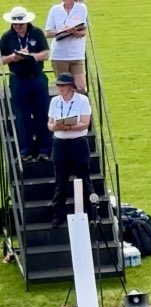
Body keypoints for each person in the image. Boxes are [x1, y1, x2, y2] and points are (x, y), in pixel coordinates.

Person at [0, 6, 52, 161]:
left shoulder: (37, 32)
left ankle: (45, 149)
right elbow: (1, 59)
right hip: (18, 80)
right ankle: (25, 150)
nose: (18, 27)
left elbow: (45, 54)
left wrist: (31, 55)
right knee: (22, 117)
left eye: (20, 24)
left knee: (42, 113)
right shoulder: (6, 37)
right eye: (15, 24)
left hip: (36, 78)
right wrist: (13, 58)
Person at [48, 72, 93, 227]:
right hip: (60, 143)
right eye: (58, 85)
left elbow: (85, 123)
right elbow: (50, 123)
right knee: (60, 179)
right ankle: (58, 214)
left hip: (78, 143)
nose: (60, 88)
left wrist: (67, 126)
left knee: (83, 176)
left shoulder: (82, 100)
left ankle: (91, 212)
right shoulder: (55, 101)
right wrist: (56, 127)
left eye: (63, 85)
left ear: (70, 86)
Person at [45, 0, 88, 92]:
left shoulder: (81, 8)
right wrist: (62, 30)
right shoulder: (55, 10)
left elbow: (83, 32)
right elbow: (48, 33)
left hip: (77, 55)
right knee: (64, 88)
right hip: (60, 56)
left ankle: (77, 105)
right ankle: (65, 106)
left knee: (80, 88)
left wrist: (74, 32)